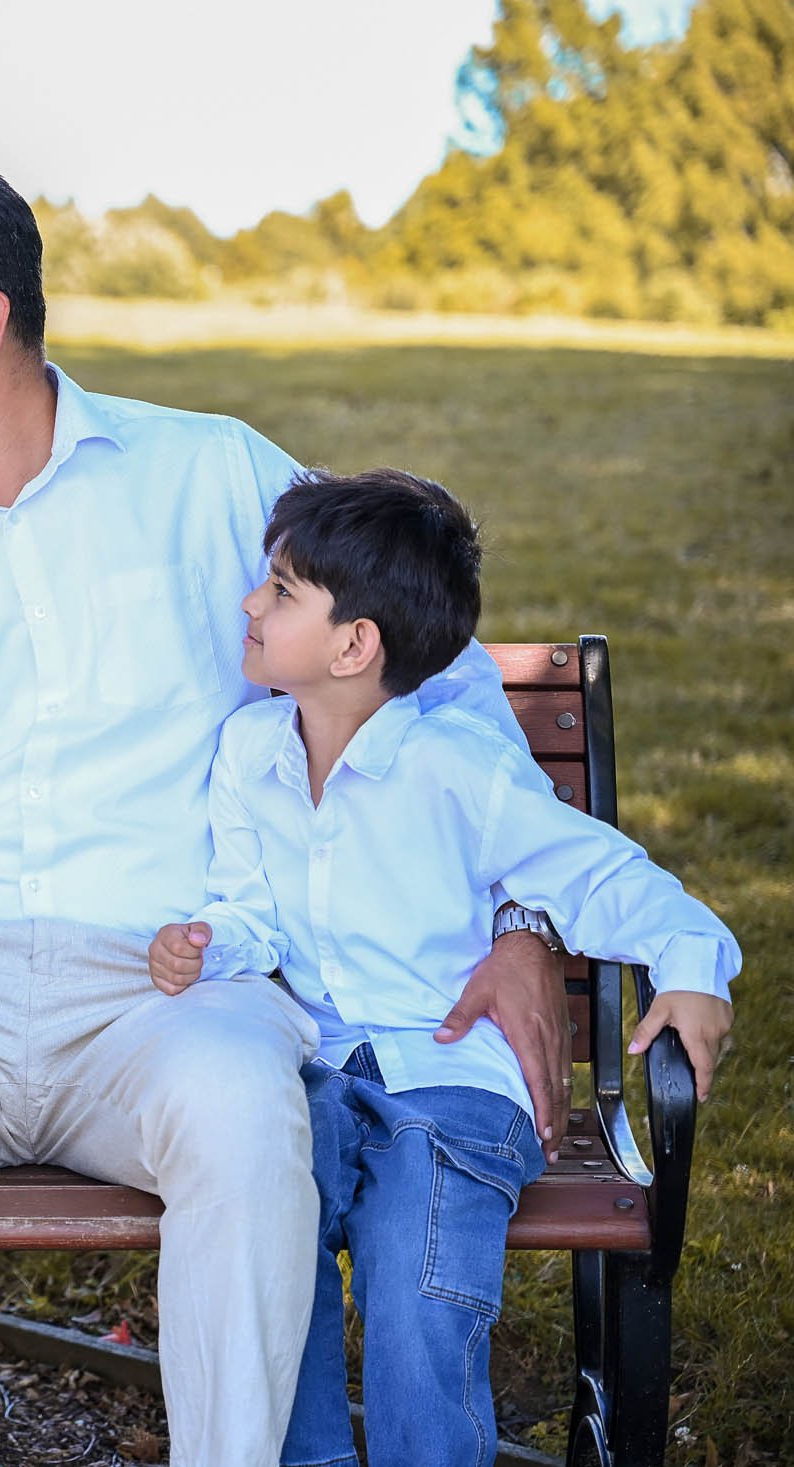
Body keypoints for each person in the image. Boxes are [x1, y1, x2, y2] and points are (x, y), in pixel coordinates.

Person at [0, 157, 575, 1467]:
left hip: (168, 983)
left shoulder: (210, 476)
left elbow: (418, 673)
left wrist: (521, 914)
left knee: (238, 1099)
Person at [148, 467, 737, 1466]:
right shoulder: (250, 753)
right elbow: (247, 909)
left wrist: (689, 964)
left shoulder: (456, 770)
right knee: (264, 1249)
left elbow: (599, 877)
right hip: (312, 1071)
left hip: (451, 1081)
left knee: (420, 1296)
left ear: (354, 646)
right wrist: (207, 946)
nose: (249, 603)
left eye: (280, 590)